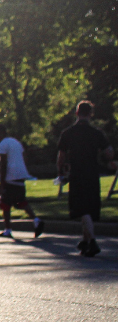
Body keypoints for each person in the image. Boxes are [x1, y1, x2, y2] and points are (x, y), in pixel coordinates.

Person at [57, 100, 116, 257]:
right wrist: (107, 158)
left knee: (82, 208)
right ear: (91, 114)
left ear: (77, 113)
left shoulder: (68, 133)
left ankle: (92, 241)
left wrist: (60, 172)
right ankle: (85, 242)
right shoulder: (97, 133)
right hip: (92, 174)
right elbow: (109, 152)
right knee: (89, 208)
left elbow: (61, 156)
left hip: (77, 174)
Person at [0, 125, 44, 239]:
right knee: (20, 201)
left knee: (4, 203)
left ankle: (8, 229)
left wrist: (1, 183)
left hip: (11, 176)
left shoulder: (2, 145)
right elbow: (25, 157)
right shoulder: (16, 142)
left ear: (0, 133)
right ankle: (36, 220)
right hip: (21, 175)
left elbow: (3, 164)